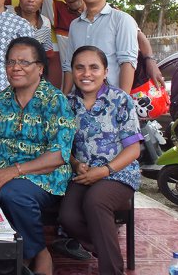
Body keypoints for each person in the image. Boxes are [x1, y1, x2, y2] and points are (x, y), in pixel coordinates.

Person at [0, 37, 76, 275]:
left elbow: (59, 155)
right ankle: (6, 263)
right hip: (2, 172)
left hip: (44, 175)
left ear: (40, 68)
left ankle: (39, 252)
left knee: (14, 194)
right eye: (11, 62)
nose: (16, 68)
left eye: (24, 62)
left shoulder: (55, 100)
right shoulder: (1, 100)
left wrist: (13, 172)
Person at [59, 46, 143, 275]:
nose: (86, 73)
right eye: (80, 68)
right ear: (73, 71)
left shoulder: (120, 100)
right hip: (83, 174)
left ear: (105, 71)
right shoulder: (66, 104)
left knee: (95, 202)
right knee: (67, 217)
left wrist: (105, 170)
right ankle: (106, 247)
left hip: (118, 173)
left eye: (94, 67)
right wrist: (75, 163)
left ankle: (112, 269)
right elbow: (63, 147)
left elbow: (133, 149)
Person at [36, 0, 164, 89]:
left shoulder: (120, 18)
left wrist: (150, 62)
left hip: (112, 95)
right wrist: (66, 97)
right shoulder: (68, 19)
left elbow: (129, 58)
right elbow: (68, 64)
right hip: (79, 95)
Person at [62, 0, 139, 94]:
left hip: (111, 98)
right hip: (80, 99)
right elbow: (69, 64)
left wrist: (122, 100)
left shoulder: (121, 20)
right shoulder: (75, 25)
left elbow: (127, 62)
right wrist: (64, 97)